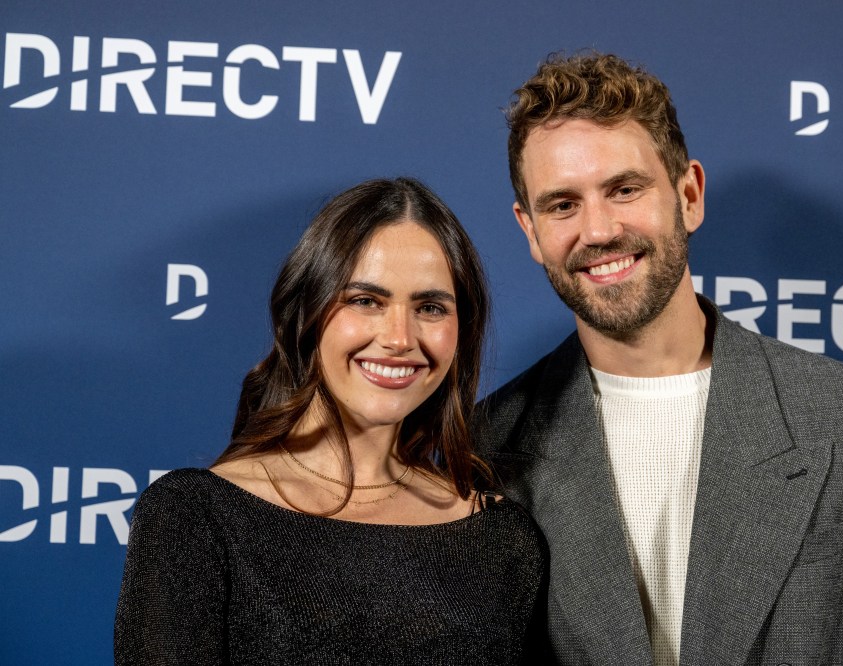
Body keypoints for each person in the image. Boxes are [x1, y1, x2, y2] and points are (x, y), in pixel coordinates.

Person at [474, 52, 843, 665]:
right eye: (562, 205)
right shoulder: (483, 447)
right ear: (531, 231)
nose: (596, 230)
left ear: (689, 194)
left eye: (624, 189)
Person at [115, 178, 544, 665]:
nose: (400, 338)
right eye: (365, 301)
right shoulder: (195, 517)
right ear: (307, 314)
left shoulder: (502, 540)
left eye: (429, 307)